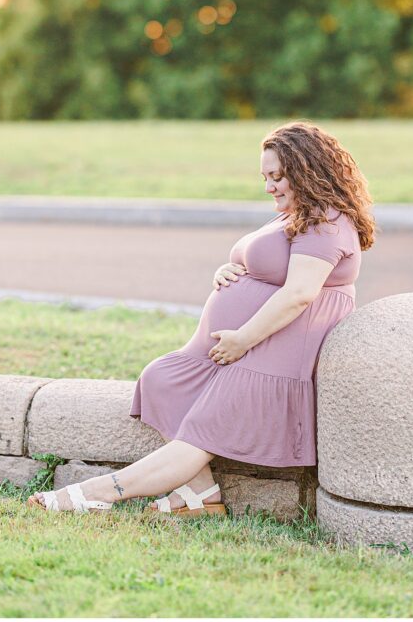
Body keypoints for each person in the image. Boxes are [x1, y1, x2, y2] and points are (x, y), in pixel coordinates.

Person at [28, 120, 376, 515]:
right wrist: (228, 272)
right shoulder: (295, 215)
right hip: (241, 347)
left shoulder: (325, 223)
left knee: (196, 438)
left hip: (274, 355)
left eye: (278, 176)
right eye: (265, 177)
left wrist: (243, 339)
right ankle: (200, 496)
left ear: (307, 170)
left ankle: (95, 494)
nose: (269, 187)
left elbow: (299, 294)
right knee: (164, 381)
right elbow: (265, 266)